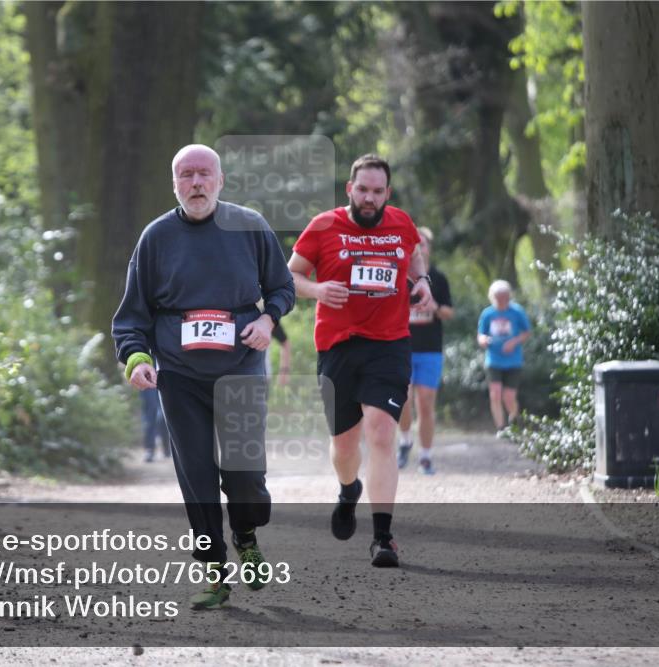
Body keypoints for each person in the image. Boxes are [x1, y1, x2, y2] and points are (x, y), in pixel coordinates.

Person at [112, 144, 295, 609]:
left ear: (220, 180)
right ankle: (214, 573)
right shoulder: (155, 238)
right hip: (179, 374)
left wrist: (268, 320)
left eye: (204, 175)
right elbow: (131, 317)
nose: (196, 183)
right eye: (187, 175)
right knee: (194, 473)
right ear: (174, 183)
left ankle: (247, 534)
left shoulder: (249, 226)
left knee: (245, 471)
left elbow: (282, 286)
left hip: (241, 367)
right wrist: (137, 359)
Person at [288, 154, 433, 568]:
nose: (370, 199)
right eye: (363, 190)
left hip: (389, 344)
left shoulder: (401, 223)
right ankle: (348, 488)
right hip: (338, 346)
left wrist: (419, 280)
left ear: (387, 193)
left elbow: (415, 253)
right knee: (345, 447)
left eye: (377, 192)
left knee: (381, 433)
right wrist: (317, 291)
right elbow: (290, 275)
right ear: (350, 190)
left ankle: (383, 538)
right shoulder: (323, 226)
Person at [397, 227, 453, 473]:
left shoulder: (438, 279)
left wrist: (434, 305)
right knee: (403, 401)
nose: (420, 248)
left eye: (424, 244)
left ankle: (427, 457)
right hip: (401, 347)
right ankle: (405, 440)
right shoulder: (399, 275)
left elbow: (449, 312)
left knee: (426, 404)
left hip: (430, 350)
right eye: (416, 244)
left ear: (428, 249)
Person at [477, 280, 531, 431]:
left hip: (513, 361)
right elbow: (481, 334)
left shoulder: (517, 311)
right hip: (493, 360)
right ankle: (501, 428)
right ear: (492, 297)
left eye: (504, 297)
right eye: (498, 298)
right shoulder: (487, 314)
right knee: (495, 393)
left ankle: (514, 422)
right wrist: (484, 340)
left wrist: (514, 342)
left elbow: (527, 332)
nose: (501, 301)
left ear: (509, 297)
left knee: (508, 397)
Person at [140, 388, 170, 463]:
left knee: (165, 414)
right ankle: (149, 449)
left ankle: (167, 448)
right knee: (150, 415)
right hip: (147, 380)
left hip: (165, 377)